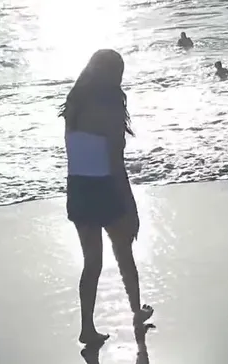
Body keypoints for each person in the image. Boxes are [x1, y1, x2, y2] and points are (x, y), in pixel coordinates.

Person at [61, 49, 153, 347]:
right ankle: (136, 312)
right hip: (104, 186)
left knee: (92, 262)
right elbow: (115, 160)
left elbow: (75, 151)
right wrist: (130, 204)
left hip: (78, 186)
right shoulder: (109, 105)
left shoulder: (74, 104)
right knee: (124, 252)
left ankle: (87, 327)